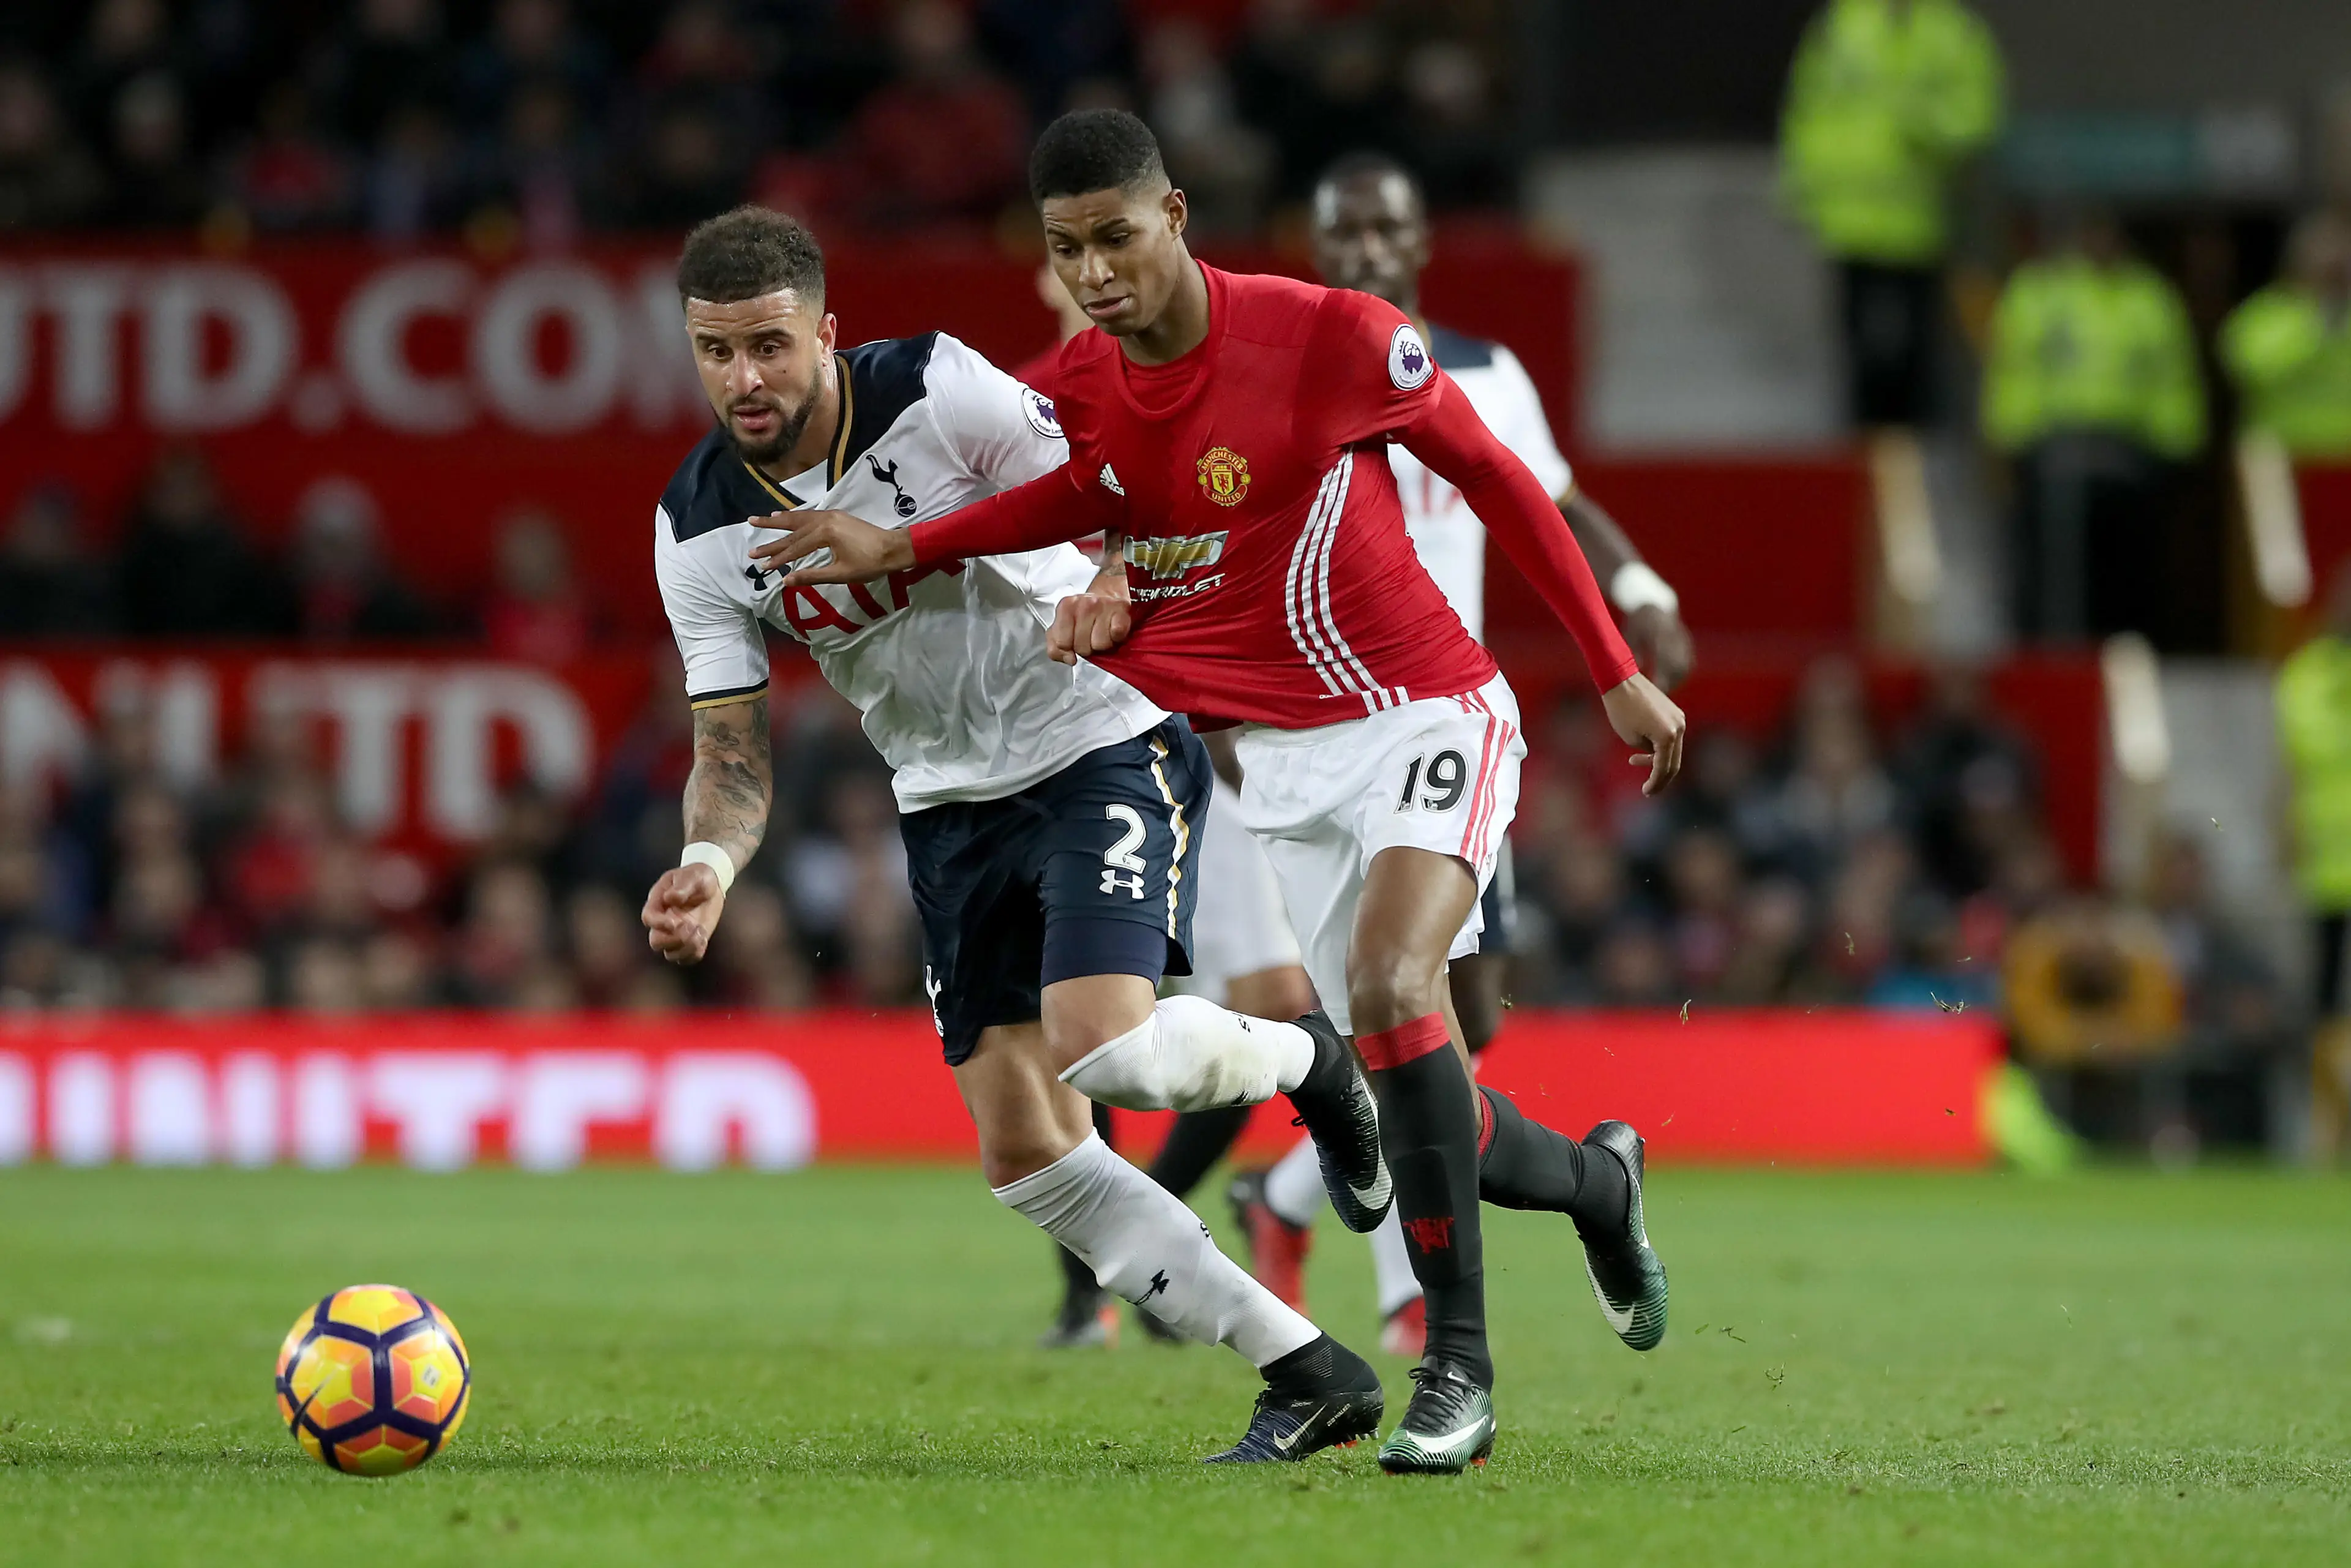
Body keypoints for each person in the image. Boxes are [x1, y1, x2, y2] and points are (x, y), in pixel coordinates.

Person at [763, 111, 1686, 1475]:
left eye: (1117, 237)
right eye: (1069, 248)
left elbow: (1495, 475)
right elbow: (1069, 489)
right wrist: (910, 543)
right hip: (1283, 765)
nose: (1095, 272)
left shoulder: (1330, 336)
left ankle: (1459, 1370)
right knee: (1421, 1078)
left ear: (1178, 215)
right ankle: (1601, 1185)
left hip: (1425, 708)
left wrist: (1613, 663)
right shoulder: (1081, 381)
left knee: (1389, 990)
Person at [637, 206, 1390, 1464]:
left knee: (1111, 1052)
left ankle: (1314, 1062)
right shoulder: (698, 531)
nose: (743, 378)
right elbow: (730, 754)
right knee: (1029, 1150)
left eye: (768, 345)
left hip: (1095, 734)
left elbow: (1111, 481)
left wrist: (1110, 575)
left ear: (825, 332)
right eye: (715, 352)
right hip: (943, 804)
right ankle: (1305, 1366)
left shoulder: (933, 385)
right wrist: (707, 863)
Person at [1190, 150, 1700, 1358]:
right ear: (1317, 247)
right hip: (1331, 736)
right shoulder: (1294, 375)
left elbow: (1545, 496)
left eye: (1387, 231)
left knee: (1466, 1017)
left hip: (1448, 733)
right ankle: (1418, 1308)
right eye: (1343, 232)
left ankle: (1291, 1193)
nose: (1366, 250)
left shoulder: (1484, 375)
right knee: (1406, 1022)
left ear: (1421, 244)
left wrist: (1633, 584)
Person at [1982, 209, 2205, 640]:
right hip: (2053, 444)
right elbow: (2014, 368)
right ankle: (2047, 643)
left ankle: (2125, 641)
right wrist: (2012, 438)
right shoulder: (2040, 291)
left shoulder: (2150, 296)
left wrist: (2177, 445)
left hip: (2129, 449)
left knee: (2128, 563)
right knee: (2049, 558)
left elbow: (2173, 376)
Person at [1779, 0, 2003, 429]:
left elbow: (1979, 117)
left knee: (1917, 344)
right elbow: (1806, 106)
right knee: (1856, 343)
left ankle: (1916, 435)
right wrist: (1801, 183)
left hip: (1919, 218)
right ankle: (1861, 436)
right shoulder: (1841, 23)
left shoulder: (1953, 31)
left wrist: (1923, 125)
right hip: (1848, 216)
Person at [2278, 561, 2351, 1155]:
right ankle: (2326, 1129)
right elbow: (2287, 768)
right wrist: (2286, 835)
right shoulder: (2306, 676)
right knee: (2324, 1009)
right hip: (2328, 873)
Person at [2221, 210, 2351, 460]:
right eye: (2328, 268)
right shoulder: (2266, 313)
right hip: (2282, 453)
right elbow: (2251, 369)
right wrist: (2316, 328)